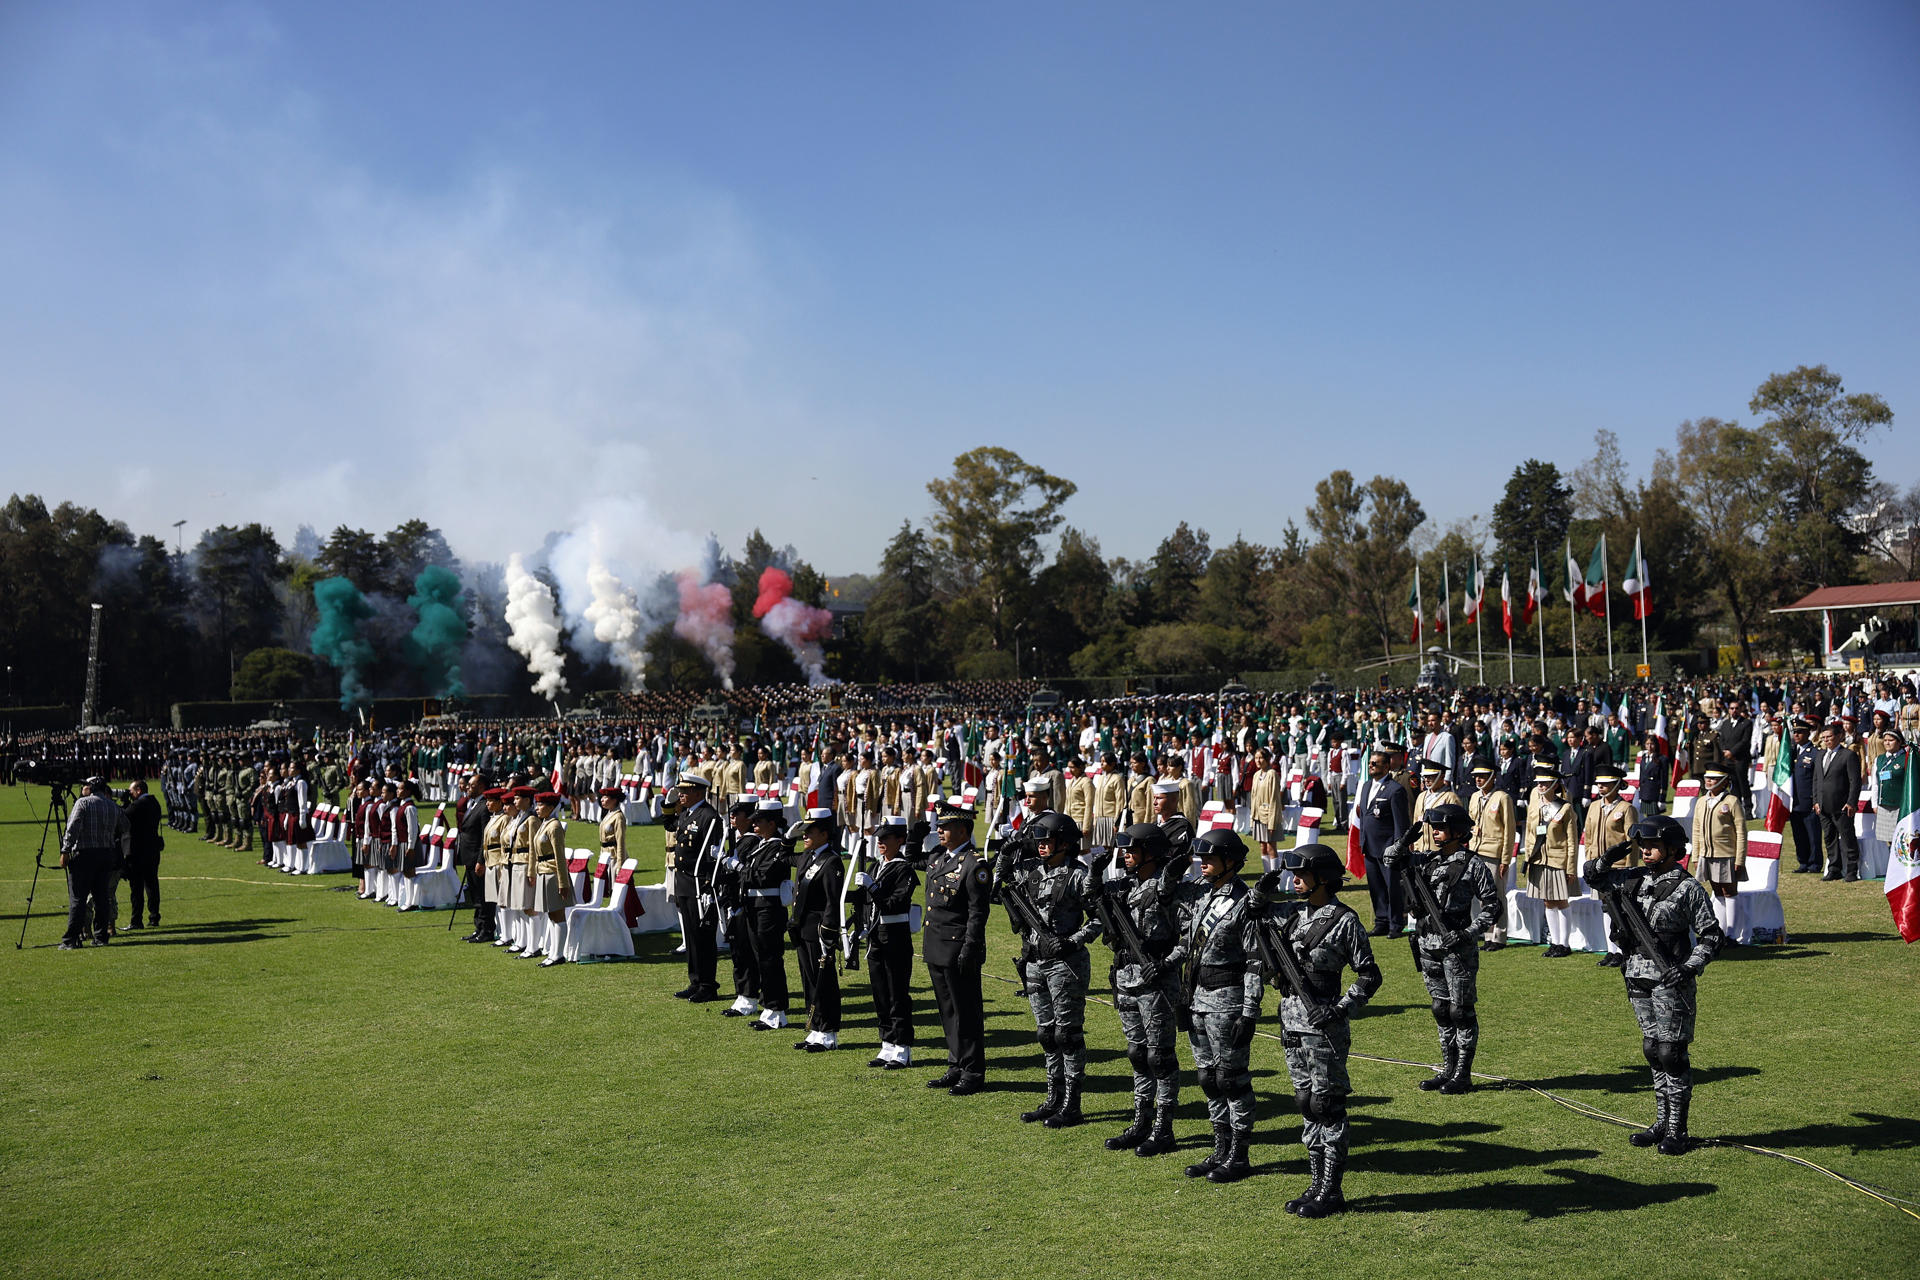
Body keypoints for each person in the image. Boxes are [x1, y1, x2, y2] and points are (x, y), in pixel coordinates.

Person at [1249, 842, 1382, 1217]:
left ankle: (1332, 1188)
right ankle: (1314, 1182)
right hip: (1290, 1019)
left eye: (1302, 875)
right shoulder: (1292, 916)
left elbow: (1370, 975)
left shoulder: (1345, 921)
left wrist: (1341, 1009)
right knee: (1306, 1102)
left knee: (1328, 1105)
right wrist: (1259, 900)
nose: (1295, 881)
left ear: (1323, 878)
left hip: (1323, 1026)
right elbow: (1257, 925)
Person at [1583, 817, 1723, 1155]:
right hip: (1636, 972)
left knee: (1671, 1053)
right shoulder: (1633, 877)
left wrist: (1689, 968)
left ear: (1673, 850)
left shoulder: (1687, 887)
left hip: (1670, 976)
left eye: (1654, 845)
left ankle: (1678, 1129)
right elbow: (1593, 876)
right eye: (1642, 844)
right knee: (1652, 1049)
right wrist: (1612, 854)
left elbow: (1712, 936)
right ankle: (1660, 1122)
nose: (1646, 850)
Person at [1385, 803, 1500, 1092]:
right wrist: (1406, 840)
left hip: (1455, 946)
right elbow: (1389, 858)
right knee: (1440, 1007)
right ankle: (1447, 1068)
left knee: (1461, 1011)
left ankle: (1463, 1074)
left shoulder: (1473, 865)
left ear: (1458, 832)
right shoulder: (1427, 860)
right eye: (1433, 828)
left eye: (1441, 827)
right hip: (1427, 944)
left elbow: (1492, 906)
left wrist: (1469, 933)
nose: (1435, 832)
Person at [1172, 828, 1262, 1182]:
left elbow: (1256, 960)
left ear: (1230, 862)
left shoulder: (1244, 901)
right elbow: (1187, 940)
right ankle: (1220, 1148)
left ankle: (1239, 1155)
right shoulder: (1201, 895)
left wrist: (1250, 1011)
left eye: (1209, 859)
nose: (1202, 864)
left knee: (1231, 1079)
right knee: (1208, 1078)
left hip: (1228, 1000)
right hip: (1196, 997)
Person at [1007, 811, 1102, 1129]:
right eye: (1039, 841)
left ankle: (1072, 1104)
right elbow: (1000, 885)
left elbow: (1101, 917)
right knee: (1047, 1034)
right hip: (1034, 961)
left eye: (1047, 840)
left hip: (1065, 964)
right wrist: (1007, 852)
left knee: (1068, 1035)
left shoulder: (1079, 875)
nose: (1041, 846)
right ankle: (1053, 1098)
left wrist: (1073, 941)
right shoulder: (1031, 872)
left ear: (1064, 843)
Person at [1097, 823, 1184, 1158]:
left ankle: (1164, 1128)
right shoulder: (1124, 886)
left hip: (1155, 981)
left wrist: (1168, 963)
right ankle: (1142, 1120)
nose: (1127, 856)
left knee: (1160, 1057)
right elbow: (1095, 903)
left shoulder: (1167, 887)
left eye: (1133, 850)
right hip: (1126, 977)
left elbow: (1190, 935)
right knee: (1137, 1054)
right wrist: (1095, 872)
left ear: (1151, 854)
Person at [923, 797, 992, 1095]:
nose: (940, 831)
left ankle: (973, 1070)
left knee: (967, 1012)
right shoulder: (941, 858)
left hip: (957, 949)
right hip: (936, 946)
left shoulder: (974, 865)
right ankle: (956, 1063)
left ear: (964, 831)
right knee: (948, 1010)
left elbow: (978, 913)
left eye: (947, 826)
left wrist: (970, 948)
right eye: (940, 826)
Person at [864, 815, 920, 1068]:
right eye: (879, 838)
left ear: (900, 840)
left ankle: (902, 1047)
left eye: (886, 838)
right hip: (875, 937)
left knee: (897, 993)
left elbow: (894, 904)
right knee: (880, 993)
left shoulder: (903, 869)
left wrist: (872, 888)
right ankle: (887, 1043)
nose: (881, 842)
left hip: (895, 937)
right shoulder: (877, 867)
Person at [789, 807, 846, 1051]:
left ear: (824, 834)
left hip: (819, 930)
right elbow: (783, 855)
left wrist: (829, 933)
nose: (804, 836)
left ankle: (829, 1031)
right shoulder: (808, 856)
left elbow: (833, 902)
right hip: (802, 928)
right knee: (809, 980)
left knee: (824, 981)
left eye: (809, 831)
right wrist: (787, 837)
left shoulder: (831, 861)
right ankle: (815, 1027)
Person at [741, 800, 796, 1033]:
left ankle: (776, 1009)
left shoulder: (778, 847)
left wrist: (738, 869)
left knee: (770, 958)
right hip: (755, 905)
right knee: (760, 957)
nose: (754, 823)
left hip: (769, 907)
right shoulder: (760, 846)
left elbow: (762, 876)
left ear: (772, 823)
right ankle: (769, 1007)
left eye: (759, 820)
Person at [670, 772, 724, 1000]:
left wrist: (707, 885)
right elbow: (668, 824)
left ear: (698, 792)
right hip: (683, 881)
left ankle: (708, 985)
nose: (680, 794)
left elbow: (713, 856)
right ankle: (695, 980)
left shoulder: (709, 817)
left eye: (685, 790)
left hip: (699, 883)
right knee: (690, 935)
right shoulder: (687, 814)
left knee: (703, 936)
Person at [59, 777, 128, 950]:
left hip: (85, 854)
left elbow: (72, 827)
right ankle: (101, 936)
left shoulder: (83, 803)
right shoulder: (112, 805)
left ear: (90, 788)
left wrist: (65, 850)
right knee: (101, 898)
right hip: (106, 854)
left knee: (78, 898)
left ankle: (71, 939)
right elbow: (126, 826)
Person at [1583, 765, 1638, 967]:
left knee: (1620, 909)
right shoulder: (1594, 806)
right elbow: (1588, 836)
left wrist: (1630, 870)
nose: (1601, 787)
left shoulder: (1626, 809)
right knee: (1605, 908)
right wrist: (1590, 860)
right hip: (1599, 867)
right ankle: (1611, 950)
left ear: (1616, 784)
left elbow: (1631, 842)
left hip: (1619, 867)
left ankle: (1624, 950)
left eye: (1606, 784)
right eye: (1599, 783)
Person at [1352, 747, 1410, 936]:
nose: (1371, 766)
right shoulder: (1367, 785)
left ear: (1386, 766)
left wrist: (1397, 847)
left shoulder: (1395, 790)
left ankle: (1395, 924)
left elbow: (1400, 823)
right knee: (1376, 887)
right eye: (1370, 763)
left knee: (1392, 887)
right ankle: (1381, 921)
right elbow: (1364, 816)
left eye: (1375, 763)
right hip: (1369, 846)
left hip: (1387, 848)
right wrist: (1362, 841)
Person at [1525, 764, 1580, 957]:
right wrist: (1529, 858)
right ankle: (1554, 942)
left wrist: (1571, 867)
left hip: (1558, 860)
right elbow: (1529, 834)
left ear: (1554, 784)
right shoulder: (1535, 806)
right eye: (1539, 782)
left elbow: (1572, 840)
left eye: (1545, 782)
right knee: (1547, 901)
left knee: (1561, 900)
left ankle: (1564, 944)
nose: (1540, 786)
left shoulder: (1565, 807)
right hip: (1539, 859)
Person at [1691, 766, 1747, 940]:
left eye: (1713, 779)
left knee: (1729, 892)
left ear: (1723, 782)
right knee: (1717, 892)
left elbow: (1741, 831)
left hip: (1726, 854)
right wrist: (1696, 854)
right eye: (1707, 778)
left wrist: (1740, 858)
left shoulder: (1731, 801)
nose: (1708, 781)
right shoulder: (1701, 801)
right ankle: (1721, 931)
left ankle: (1732, 934)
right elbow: (1696, 829)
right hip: (1707, 854)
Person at [1467, 763, 1514, 951]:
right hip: (1476, 850)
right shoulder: (1474, 797)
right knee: (1482, 897)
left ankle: (1500, 936)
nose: (1478, 779)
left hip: (1494, 852)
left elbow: (1509, 830)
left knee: (1497, 896)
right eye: (1476, 776)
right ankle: (1488, 934)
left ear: (1493, 776)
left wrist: (1505, 859)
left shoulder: (1502, 797)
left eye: (1482, 775)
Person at [526, 790, 575, 966]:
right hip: (543, 872)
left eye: (541, 805)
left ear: (551, 807)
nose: (537, 808)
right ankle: (553, 952)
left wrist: (563, 882)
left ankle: (558, 954)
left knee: (557, 914)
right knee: (551, 916)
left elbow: (559, 856)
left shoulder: (554, 826)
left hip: (553, 874)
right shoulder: (543, 824)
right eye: (537, 804)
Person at [454, 772, 495, 943]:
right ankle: (478, 927)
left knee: (482, 896)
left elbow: (485, 836)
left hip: (477, 858)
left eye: (472, 785)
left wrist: (481, 860)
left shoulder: (484, 806)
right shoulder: (472, 804)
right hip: (469, 857)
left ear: (482, 787)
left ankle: (486, 929)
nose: (468, 788)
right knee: (475, 895)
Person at [122, 779, 164, 931]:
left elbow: (123, 817)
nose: (130, 794)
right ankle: (154, 916)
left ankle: (136, 920)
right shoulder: (154, 802)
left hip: (138, 852)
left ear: (138, 790)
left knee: (137, 888)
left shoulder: (138, 805)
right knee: (152, 884)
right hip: (152, 849)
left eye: (131, 791)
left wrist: (124, 803)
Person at [1784, 719, 1820, 873]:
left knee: (1813, 835)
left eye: (1800, 732)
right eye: (1795, 732)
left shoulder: (1815, 753)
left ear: (1807, 733)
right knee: (1798, 835)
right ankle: (1803, 862)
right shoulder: (1790, 752)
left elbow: (1817, 779)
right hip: (1794, 801)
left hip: (1809, 800)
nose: (1796, 734)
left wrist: (1816, 799)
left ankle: (1814, 863)